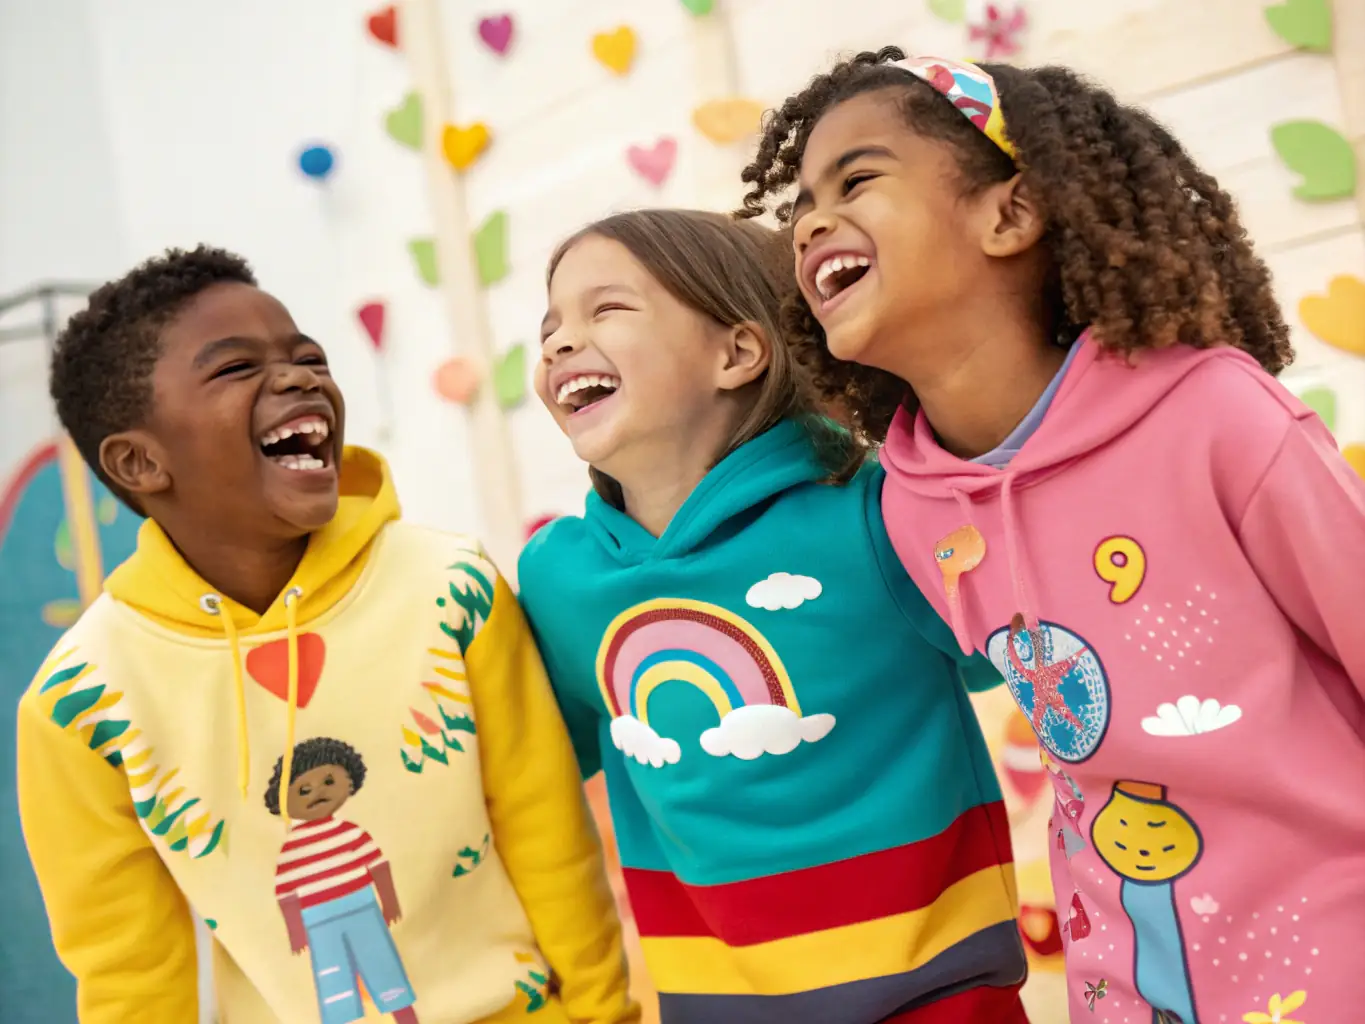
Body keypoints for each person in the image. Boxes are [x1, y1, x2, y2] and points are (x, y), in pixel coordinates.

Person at [738, 46, 1365, 1021]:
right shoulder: (911, 507)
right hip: (1130, 986)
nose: (813, 220)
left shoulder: (1217, 418)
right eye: (800, 206)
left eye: (857, 178)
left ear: (1012, 212)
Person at [16, 246, 638, 1024]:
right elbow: (130, 971)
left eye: (308, 356)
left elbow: (548, 834)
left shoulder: (453, 588)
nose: (299, 377)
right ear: (141, 461)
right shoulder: (79, 702)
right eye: (235, 368)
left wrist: (603, 1014)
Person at [517, 209, 1029, 1024]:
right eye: (549, 326)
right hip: (717, 1007)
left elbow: (1033, 639)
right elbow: (526, 770)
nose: (557, 343)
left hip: (936, 990)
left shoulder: (874, 513)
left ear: (737, 352)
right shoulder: (557, 578)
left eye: (605, 309)